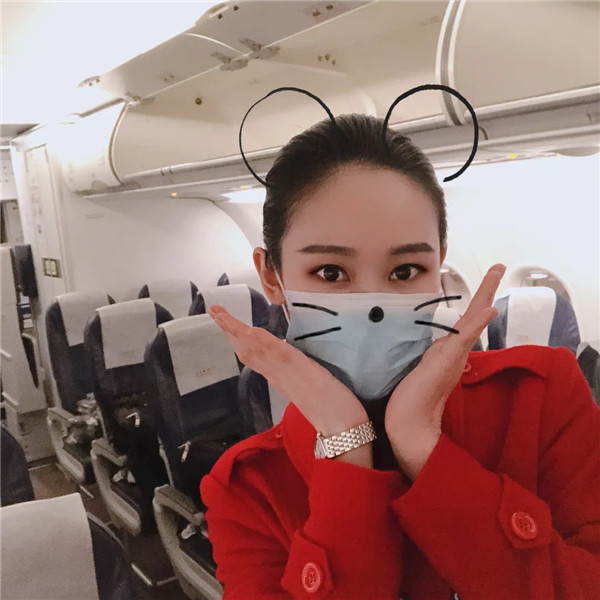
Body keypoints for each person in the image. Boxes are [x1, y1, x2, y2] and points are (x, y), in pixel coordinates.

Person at [200, 112, 600, 599]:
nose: (373, 305)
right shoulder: (247, 489)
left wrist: (421, 444)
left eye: (406, 270)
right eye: (330, 273)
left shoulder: (542, 397)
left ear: (439, 263)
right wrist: (345, 444)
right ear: (272, 277)